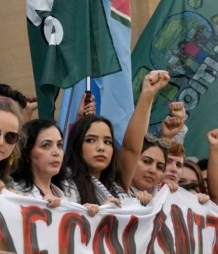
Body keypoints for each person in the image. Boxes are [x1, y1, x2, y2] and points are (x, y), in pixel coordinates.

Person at [63, 70, 170, 206]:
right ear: (77, 145)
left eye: (107, 142)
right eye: (91, 140)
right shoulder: (62, 184)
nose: (101, 147)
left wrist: (148, 94)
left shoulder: (117, 185)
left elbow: (131, 148)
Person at [9, 119, 76, 208]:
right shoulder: (13, 193)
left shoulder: (69, 195)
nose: (56, 152)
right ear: (27, 153)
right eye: (46, 145)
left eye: (59, 145)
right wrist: (40, 207)